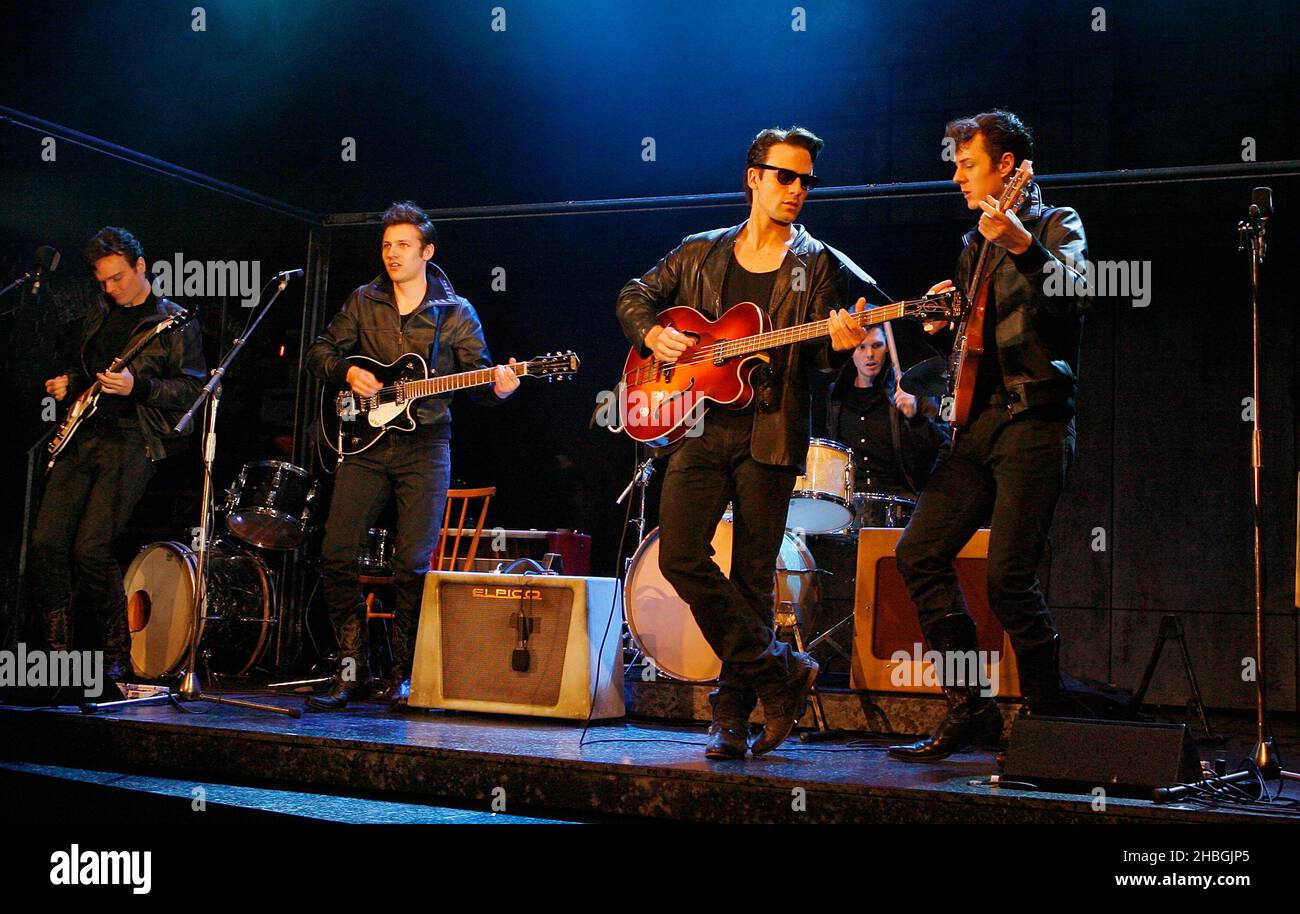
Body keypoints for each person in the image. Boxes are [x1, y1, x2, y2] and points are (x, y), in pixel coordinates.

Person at [616, 127, 866, 758]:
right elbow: (634, 297)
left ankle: (729, 716)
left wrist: (840, 347)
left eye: (807, 180)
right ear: (754, 177)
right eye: (786, 176)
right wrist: (652, 337)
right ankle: (781, 672)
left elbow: (827, 362)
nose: (797, 190)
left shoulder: (820, 265)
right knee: (679, 556)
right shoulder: (700, 252)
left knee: (753, 576)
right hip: (698, 427)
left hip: (771, 430)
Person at [888, 110, 1090, 761]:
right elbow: (976, 341)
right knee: (918, 553)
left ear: (1008, 166)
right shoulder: (973, 245)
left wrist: (1024, 246)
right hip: (974, 428)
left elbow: (1081, 293)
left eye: (967, 163)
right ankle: (970, 709)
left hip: (1033, 423)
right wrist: (942, 327)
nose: (956, 176)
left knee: (1007, 578)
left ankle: (1046, 718)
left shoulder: (1057, 225)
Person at [304, 202, 518, 711]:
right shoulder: (363, 299)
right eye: (387, 245)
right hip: (366, 445)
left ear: (427, 251)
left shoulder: (456, 311)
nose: (393, 253)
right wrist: (347, 373)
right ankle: (351, 667)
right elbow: (320, 351)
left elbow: (479, 381)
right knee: (335, 553)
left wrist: (502, 388)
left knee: (411, 565)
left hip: (426, 446)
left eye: (403, 245)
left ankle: (403, 673)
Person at [32, 226, 206, 701]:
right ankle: (57, 656)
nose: (111, 288)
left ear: (140, 266)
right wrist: (71, 381)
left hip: (133, 441)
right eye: (103, 281)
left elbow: (193, 390)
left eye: (117, 278)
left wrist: (140, 388)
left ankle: (115, 654)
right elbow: (91, 370)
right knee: (48, 541)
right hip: (84, 436)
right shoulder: (99, 314)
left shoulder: (173, 322)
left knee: (91, 548)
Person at [826, 324, 947, 499]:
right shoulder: (836, 396)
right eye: (861, 347)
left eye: (877, 346)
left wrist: (915, 418)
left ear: (888, 348)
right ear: (851, 350)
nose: (869, 354)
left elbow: (943, 448)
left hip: (900, 498)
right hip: (849, 500)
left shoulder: (911, 388)